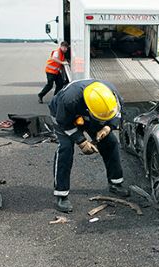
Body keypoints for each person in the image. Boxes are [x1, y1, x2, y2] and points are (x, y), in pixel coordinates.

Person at [49, 79, 129, 213]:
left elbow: (118, 114)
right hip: (63, 116)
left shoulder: (112, 95)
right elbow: (63, 123)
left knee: (111, 143)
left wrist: (108, 127)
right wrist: (81, 141)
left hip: (91, 114)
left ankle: (116, 183)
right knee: (66, 149)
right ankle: (61, 194)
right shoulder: (69, 99)